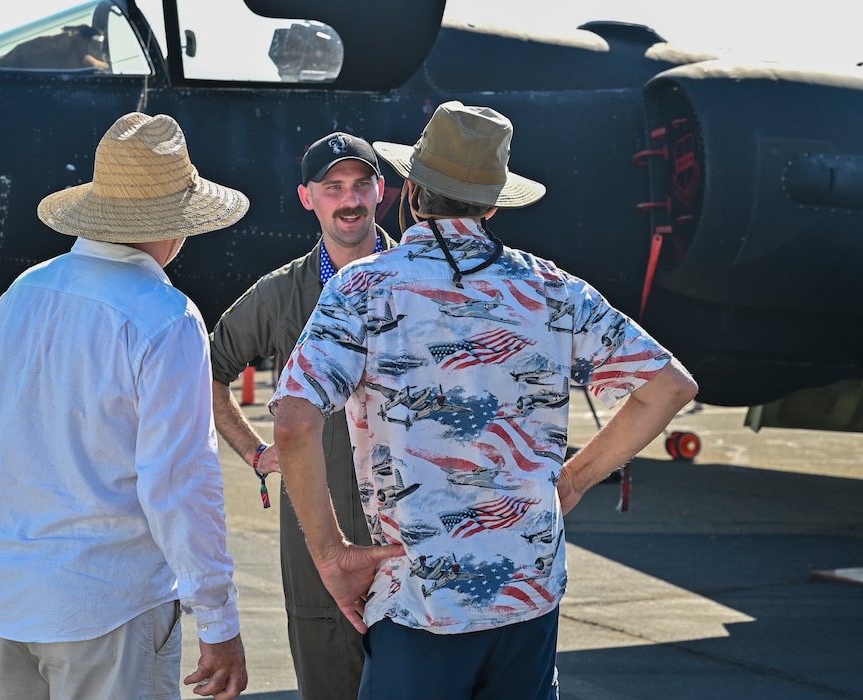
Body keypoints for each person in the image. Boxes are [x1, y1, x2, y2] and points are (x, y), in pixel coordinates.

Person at [270, 101, 699, 699]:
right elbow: (670, 386)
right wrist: (573, 479)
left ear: (412, 191)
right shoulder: (552, 289)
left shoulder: (362, 286)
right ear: (494, 203)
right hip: (528, 596)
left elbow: (293, 424)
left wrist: (331, 555)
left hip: (419, 600)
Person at [0, 112, 250, 700]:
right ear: (176, 224)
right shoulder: (166, 317)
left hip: (3, 600)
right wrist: (217, 617)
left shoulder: (20, 294)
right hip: (107, 604)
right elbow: (178, 480)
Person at [210, 131, 396, 699]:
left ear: (381, 191)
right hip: (320, 535)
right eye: (333, 187)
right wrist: (255, 452)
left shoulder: (424, 280)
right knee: (330, 681)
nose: (350, 200)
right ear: (306, 197)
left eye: (362, 185)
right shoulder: (280, 295)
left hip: (411, 536)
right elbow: (206, 371)